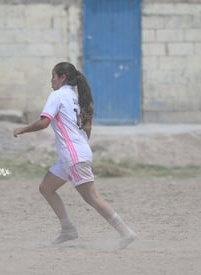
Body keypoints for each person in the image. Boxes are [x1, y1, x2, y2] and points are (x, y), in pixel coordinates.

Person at [13, 62, 136, 249]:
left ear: (62, 77)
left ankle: (125, 232)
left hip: (73, 155)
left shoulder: (58, 95)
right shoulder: (76, 97)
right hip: (74, 153)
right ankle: (68, 229)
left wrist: (23, 129)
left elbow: (44, 122)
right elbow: (87, 129)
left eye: (53, 76)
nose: (50, 80)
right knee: (46, 188)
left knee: (92, 197)